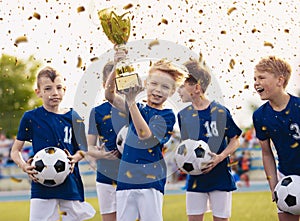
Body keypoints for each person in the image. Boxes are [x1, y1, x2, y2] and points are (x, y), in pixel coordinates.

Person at [105, 49, 186, 221]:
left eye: (165, 87)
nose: (158, 90)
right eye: (154, 84)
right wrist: (116, 67)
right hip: (126, 180)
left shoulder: (167, 115)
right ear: (146, 83)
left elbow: (145, 135)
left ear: (172, 92)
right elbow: (109, 95)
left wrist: (131, 101)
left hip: (150, 182)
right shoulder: (137, 108)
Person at [10, 66, 95, 221]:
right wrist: (24, 166)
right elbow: (15, 151)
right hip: (41, 182)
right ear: (38, 92)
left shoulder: (74, 117)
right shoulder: (31, 117)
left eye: (59, 88)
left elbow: (83, 149)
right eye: (48, 88)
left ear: (64, 89)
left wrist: (75, 158)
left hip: (69, 181)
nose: (54, 93)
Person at [177, 59, 242, 221]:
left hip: (220, 178)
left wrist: (221, 157)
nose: (178, 90)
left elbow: (235, 139)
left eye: (181, 85)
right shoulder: (183, 115)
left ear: (197, 87)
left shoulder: (220, 111)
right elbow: (186, 148)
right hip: (195, 179)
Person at [252, 55, 300, 221]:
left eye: (262, 78)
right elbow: (266, 153)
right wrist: (274, 185)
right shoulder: (260, 116)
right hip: (286, 179)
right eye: (255, 78)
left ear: (280, 80)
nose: (256, 83)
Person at [87, 61, 128, 221]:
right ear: (105, 84)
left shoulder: (135, 109)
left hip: (131, 175)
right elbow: (88, 147)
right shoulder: (97, 112)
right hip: (106, 176)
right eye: (112, 83)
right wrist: (101, 154)